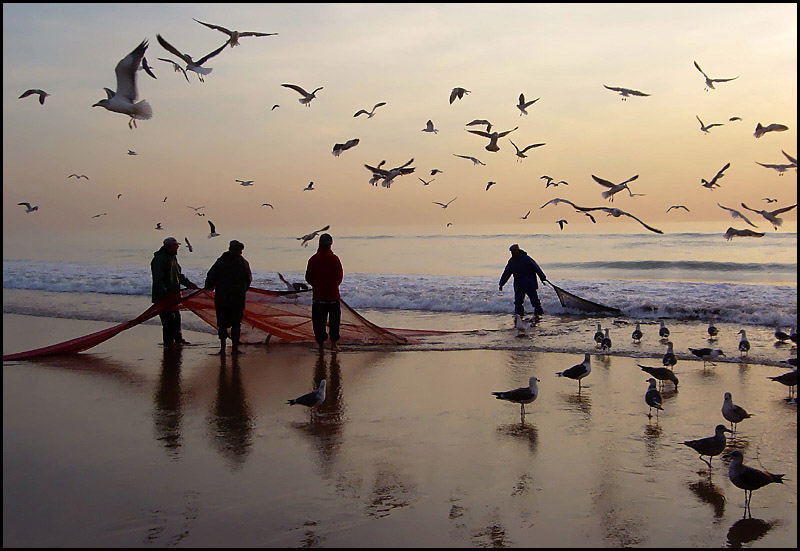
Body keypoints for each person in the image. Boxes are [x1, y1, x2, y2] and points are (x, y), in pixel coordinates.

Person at [204, 240, 253, 354]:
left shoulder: (221, 261)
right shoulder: (243, 263)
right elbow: (248, 279)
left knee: (222, 323)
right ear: (239, 250)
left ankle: (222, 348)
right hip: (237, 297)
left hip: (222, 297)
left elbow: (211, 276)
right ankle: (235, 349)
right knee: (236, 323)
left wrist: (209, 286)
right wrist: (242, 290)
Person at [151, 236, 199, 346]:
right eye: (176, 246)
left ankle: (178, 339)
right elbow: (158, 280)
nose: (177, 247)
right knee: (168, 321)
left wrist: (190, 284)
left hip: (174, 296)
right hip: (163, 297)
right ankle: (168, 343)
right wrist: (165, 294)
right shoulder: (158, 260)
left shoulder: (173, 258)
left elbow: (179, 276)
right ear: (169, 247)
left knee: (176, 318)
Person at [305, 233, 343, 351]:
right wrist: (332, 286)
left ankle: (321, 345)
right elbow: (340, 277)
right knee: (334, 323)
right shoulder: (335, 259)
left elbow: (308, 277)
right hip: (333, 297)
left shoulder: (313, 259)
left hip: (318, 297)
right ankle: (334, 344)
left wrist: (317, 286)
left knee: (318, 323)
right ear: (330, 245)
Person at [499, 243, 547, 317]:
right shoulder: (512, 261)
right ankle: (519, 316)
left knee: (535, 301)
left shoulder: (526, 258)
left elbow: (536, 268)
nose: (512, 253)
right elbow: (507, 273)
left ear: (517, 250)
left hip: (529, 284)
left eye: (513, 251)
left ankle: (540, 314)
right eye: (511, 251)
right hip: (519, 285)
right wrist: (501, 283)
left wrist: (542, 278)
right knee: (518, 302)